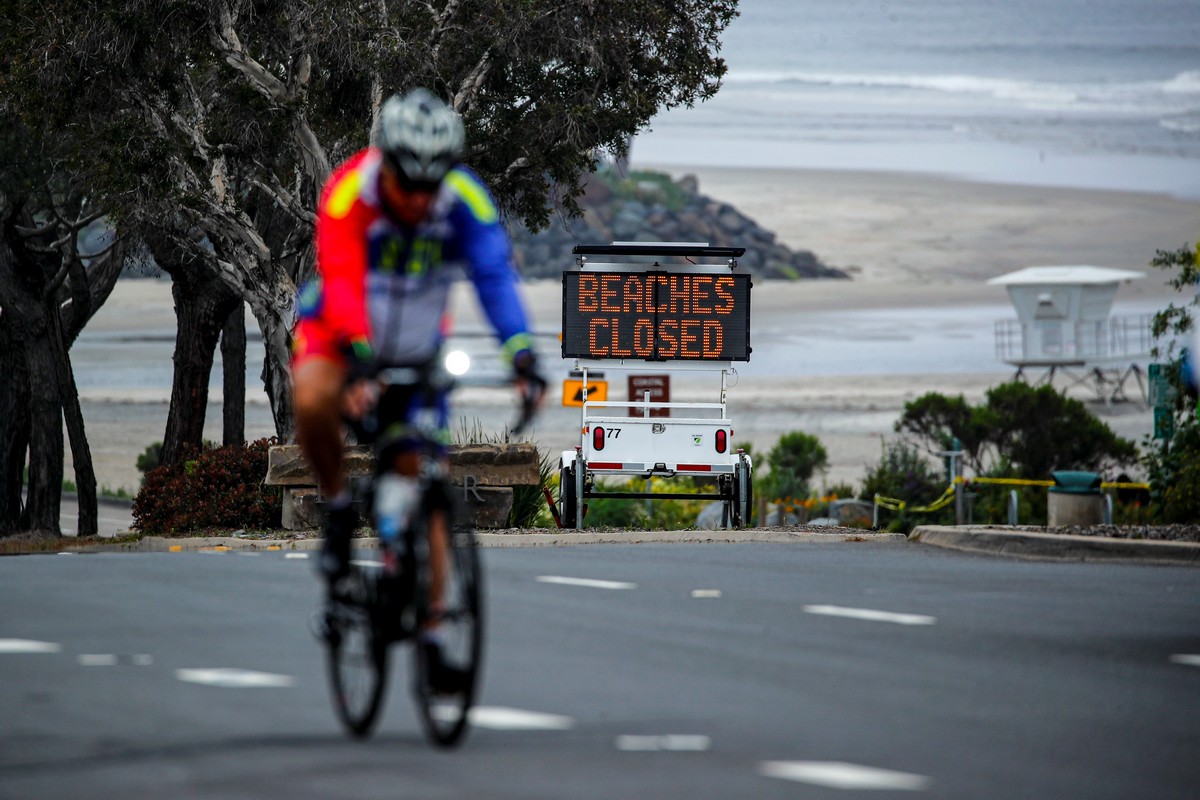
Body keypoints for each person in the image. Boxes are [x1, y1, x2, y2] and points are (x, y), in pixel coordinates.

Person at [291, 89, 544, 664]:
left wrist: (524, 357)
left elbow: (493, 277)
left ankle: (431, 636)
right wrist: (358, 361)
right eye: (409, 184)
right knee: (310, 399)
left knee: (422, 475)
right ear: (389, 162)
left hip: (416, 349)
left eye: (432, 186)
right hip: (339, 332)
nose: (418, 198)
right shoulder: (351, 192)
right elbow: (345, 277)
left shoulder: (465, 202)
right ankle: (335, 510)